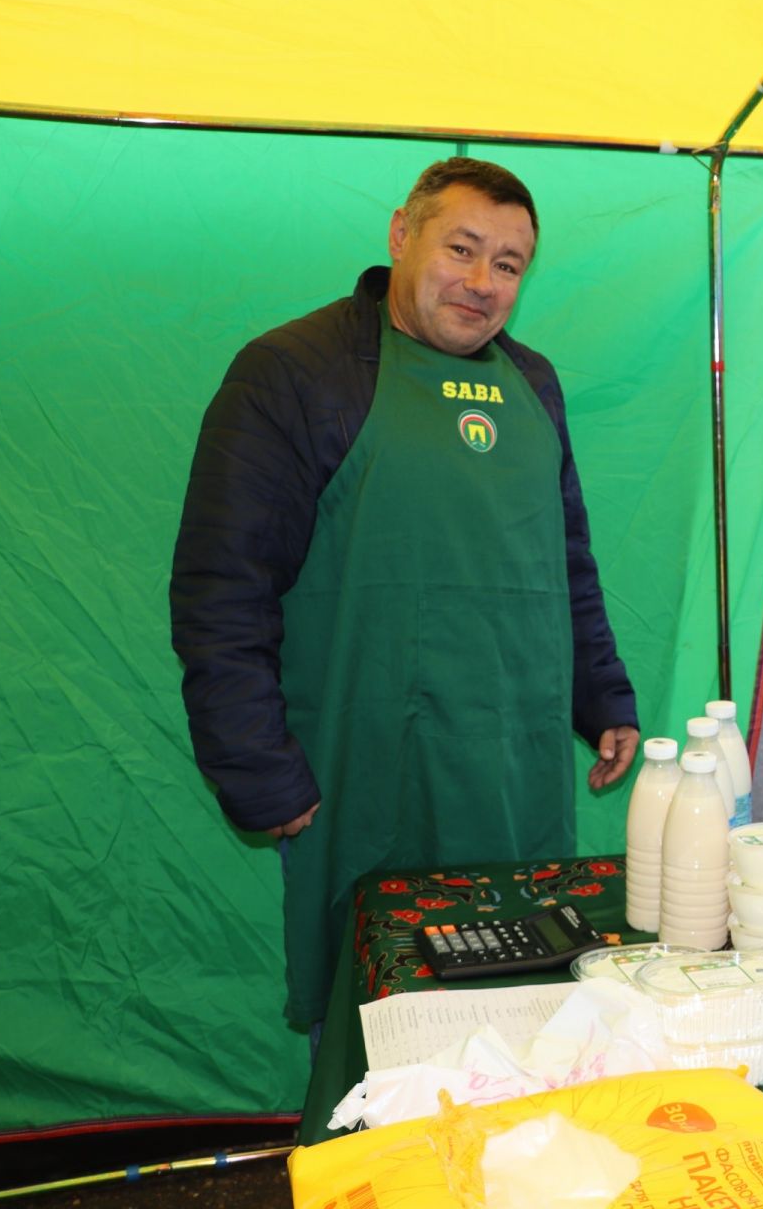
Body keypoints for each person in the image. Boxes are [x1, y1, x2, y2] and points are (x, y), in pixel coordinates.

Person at [170, 157, 640, 1031]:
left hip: (515, 773)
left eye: (507, 264)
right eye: (461, 248)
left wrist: (602, 697)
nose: (481, 282)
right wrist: (256, 765)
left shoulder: (533, 383)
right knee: (377, 1014)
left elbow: (563, 559)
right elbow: (222, 586)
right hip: (365, 772)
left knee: (517, 1000)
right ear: (400, 236)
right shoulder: (293, 372)